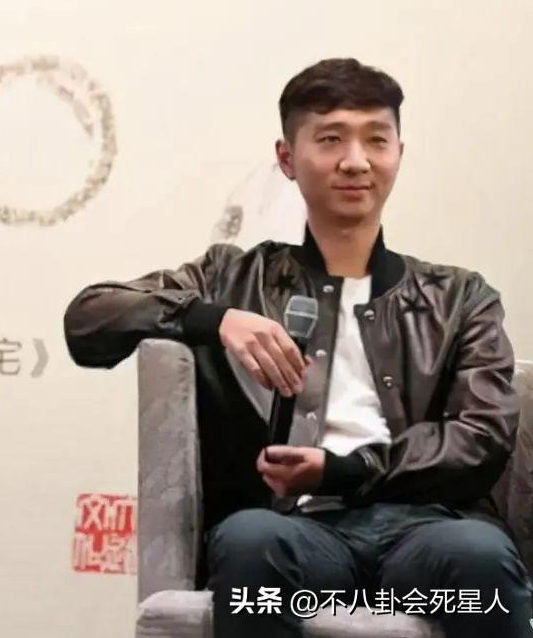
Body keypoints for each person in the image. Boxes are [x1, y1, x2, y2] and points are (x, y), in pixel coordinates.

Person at [64, 58, 529, 636]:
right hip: (293, 531)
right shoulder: (233, 277)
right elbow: (88, 319)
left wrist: (346, 471)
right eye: (330, 139)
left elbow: (483, 435)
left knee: (480, 556)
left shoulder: (458, 296)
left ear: (398, 154)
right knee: (250, 541)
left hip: (426, 530)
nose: (355, 161)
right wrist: (214, 318)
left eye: (376, 140)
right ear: (287, 158)